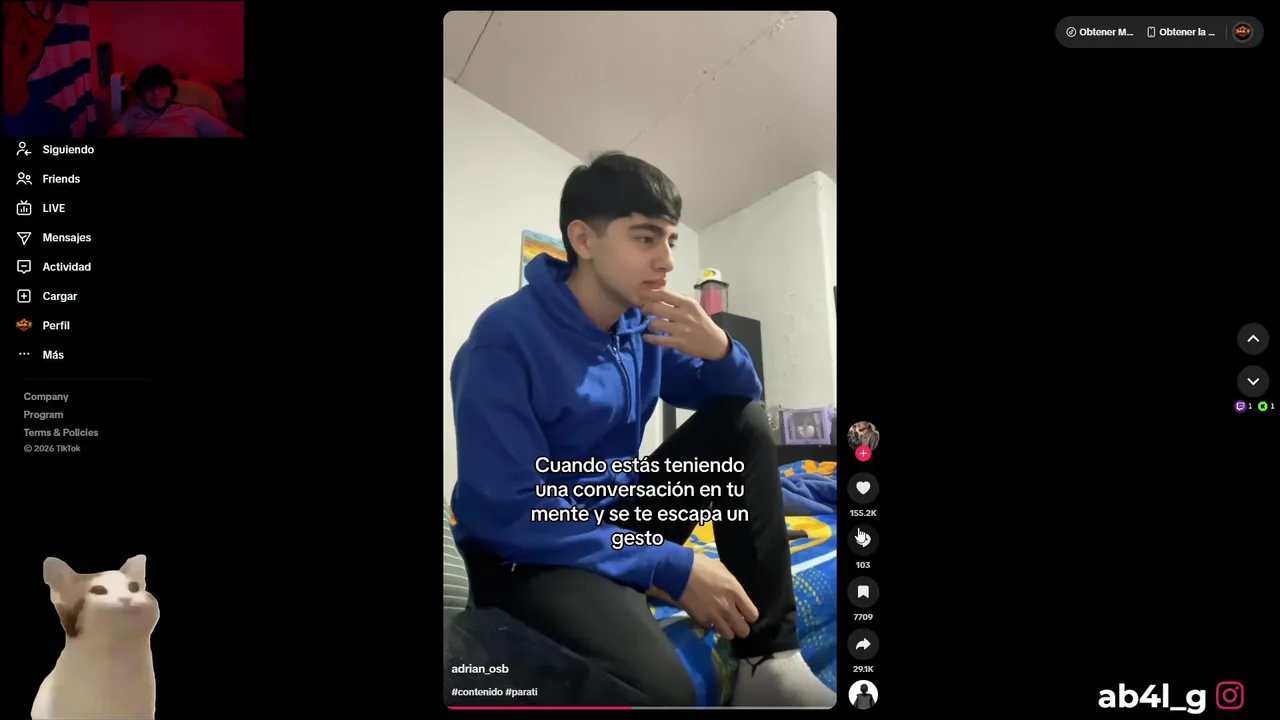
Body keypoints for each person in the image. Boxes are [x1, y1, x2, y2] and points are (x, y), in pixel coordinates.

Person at [450, 151, 836, 708]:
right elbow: (509, 510)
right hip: (532, 549)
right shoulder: (504, 338)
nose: (667, 260)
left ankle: (768, 661)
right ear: (583, 240)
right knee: (664, 689)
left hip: (616, 514)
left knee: (743, 421)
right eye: (646, 237)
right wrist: (666, 563)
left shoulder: (642, 328)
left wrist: (723, 349)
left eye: (671, 240)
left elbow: (739, 402)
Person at [105, 65, 242, 138]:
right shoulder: (132, 112)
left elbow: (229, 133)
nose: (156, 93)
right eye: (149, 88)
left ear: (171, 90)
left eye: (162, 87)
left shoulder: (193, 113)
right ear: (141, 93)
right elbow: (114, 133)